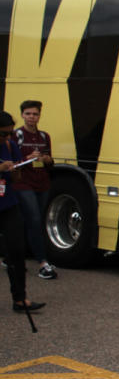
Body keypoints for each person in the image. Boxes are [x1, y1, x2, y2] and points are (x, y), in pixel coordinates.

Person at [0, 111, 45, 314]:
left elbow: (17, 178)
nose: (7, 138)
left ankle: (20, 298)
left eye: (9, 133)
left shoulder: (10, 146)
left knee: (17, 251)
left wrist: (15, 169)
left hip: (8, 203)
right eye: (3, 134)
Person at [14, 100, 56, 280]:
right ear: (23, 115)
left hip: (42, 182)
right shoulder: (16, 136)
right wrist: (27, 157)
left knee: (31, 221)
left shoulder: (44, 136)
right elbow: (11, 163)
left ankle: (12, 257)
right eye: (28, 114)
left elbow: (50, 161)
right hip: (23, 183)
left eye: (35, 114)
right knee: (34, 219)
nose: (32, 117)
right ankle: (42, 262)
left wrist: (46, 159)